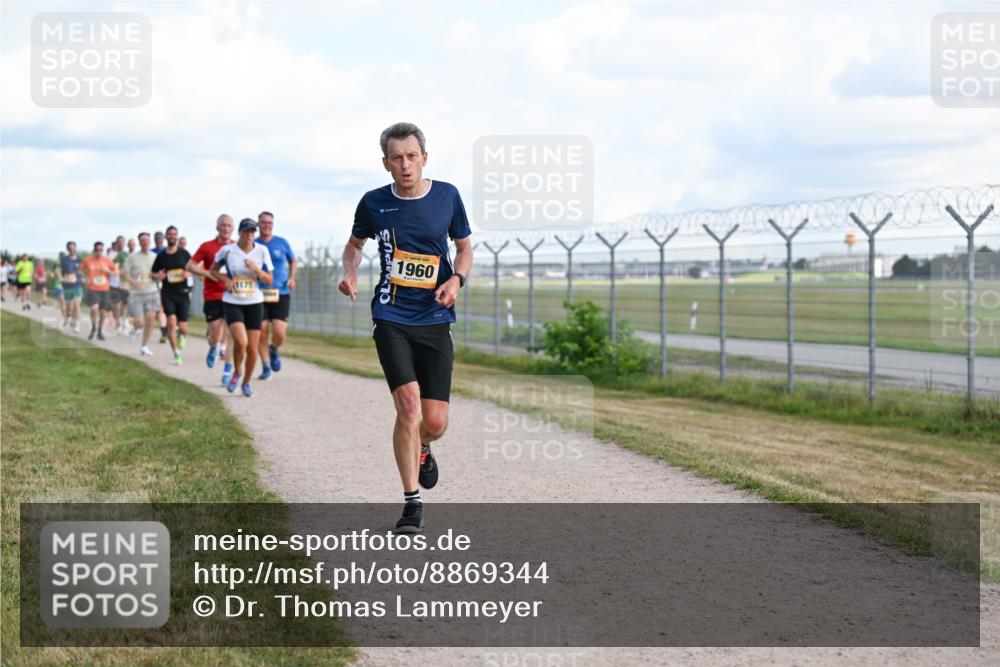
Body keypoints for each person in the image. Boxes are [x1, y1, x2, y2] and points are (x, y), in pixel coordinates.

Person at [338, 122, 473, 534]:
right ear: (386, 163)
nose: (405, 164)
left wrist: (456, 280)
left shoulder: (447, 196)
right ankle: (411, 503)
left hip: (434, 318)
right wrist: (350, 273)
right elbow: (355, 245)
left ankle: (424, 448)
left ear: (424, 158)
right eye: (397, 158)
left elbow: (464, 248)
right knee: (409, 408)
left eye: (412, 156)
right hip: (391, 316)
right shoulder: (374, 202)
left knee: (434, 422)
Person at [210, 218, 273, 398]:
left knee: (253, 348)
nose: (249, 235)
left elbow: (269, 280)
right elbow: (213, 270)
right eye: (246, 231)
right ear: (239, 233)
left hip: (254, 302)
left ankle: (245, 382)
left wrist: (257, 270)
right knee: (241, 342)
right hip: (232, 302)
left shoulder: (262, 251)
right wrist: (226, 280)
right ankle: (237, 371)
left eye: (253, 232)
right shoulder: (228, 250)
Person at [188, 215, 236, 383]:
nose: (225, 228)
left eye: (229, 225)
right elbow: (190, 265)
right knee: (216, 334)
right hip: (212, 295)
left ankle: (227, 372)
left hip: (232, 296)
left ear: (233, 228)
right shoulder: (207, 246)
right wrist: (208, 273)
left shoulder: (237, 247)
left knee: (232, 334)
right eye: (222, 225)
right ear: (217, 227)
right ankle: (214, 345)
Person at [255, 211, 297, 380]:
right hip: (258, 294)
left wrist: (292, 278)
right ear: (258, 224)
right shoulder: (253, 244)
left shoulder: (282, 243)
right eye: (263, 222)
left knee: (279, 333)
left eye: (269, 223)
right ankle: (265, 367)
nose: (267, 225)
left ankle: (274, 349)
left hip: (281, 292)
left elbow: (293, 260)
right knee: (262, 331)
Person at [151, 226, 192, 365]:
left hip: (183, 293)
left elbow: (193, 268)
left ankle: (182, 335)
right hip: (168, 293)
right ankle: (176, 354)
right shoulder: (161, 255)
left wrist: (188, 273)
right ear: (166, 237)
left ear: (177, 236)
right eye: (170, 234)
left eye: (174, 234)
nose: (172, 236)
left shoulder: (184, 254)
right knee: (171, 322)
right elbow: (153, 273)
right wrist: (158, 276)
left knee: (183, 327)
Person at [124, 232, 160, 356]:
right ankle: (135, 329)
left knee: (150, 320)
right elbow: (126, 274)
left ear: (150, 242)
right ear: (139, 242)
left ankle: (144, 346)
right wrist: (134, 282)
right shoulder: (132, 257)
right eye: (142, 240)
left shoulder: (155, 257)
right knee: (140, 322)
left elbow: (158, 273)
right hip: (136, 293)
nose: (145, 242)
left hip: (152, 292)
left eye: (147, 240)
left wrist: (158, 276)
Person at [80, 242, 118, 340]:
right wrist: (85, 277)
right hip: (92, 289)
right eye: (97, 250)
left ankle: (100, 332)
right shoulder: (87, 260)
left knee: (102, 313)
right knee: (93, 308)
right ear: (94, 250)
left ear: (103, 251)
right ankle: (93, 328)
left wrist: (108, 271)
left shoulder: (107, 260)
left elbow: (116, 272)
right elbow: (80, 270)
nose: (99, 252)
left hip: (104, 289)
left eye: (101, 250)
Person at [60, 242, 84, 333]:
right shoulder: (64, 259)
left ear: (76, 248)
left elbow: (83, 272)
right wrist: (61, 278)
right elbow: (60, 271)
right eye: (69, 248)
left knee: (77, 305)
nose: (71, 249)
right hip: (67, 285)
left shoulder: (80, 260)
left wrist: (82, 275)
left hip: (77, 285)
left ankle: (76, 323)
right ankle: (68, 317)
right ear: (67, 249)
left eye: (73, 247)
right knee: (69, 307)